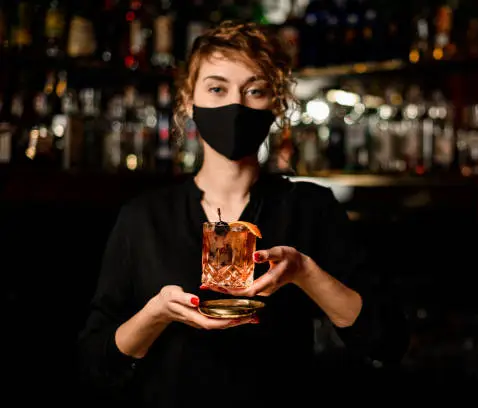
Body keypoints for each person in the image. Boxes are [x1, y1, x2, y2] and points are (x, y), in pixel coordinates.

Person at [77, 20, 399, 407]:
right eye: (216, 88)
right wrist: (156, 313)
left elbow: (385, 342)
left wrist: (304, 272)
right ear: (187, 100)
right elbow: (95, 365)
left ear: (276, 104)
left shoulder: (311, 208)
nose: (236, 105)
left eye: (255, 90)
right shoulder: (143, 217)